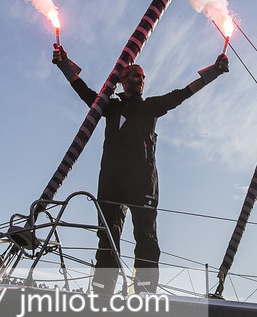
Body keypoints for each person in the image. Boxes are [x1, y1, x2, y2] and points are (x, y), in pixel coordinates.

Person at [53, 42, 228, 293]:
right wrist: (63, 65)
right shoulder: (110, 107)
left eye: (142, 77)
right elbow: (84, 91)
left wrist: (214, 71)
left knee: (146, 238)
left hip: (143, 184)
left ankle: (144, 292)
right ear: (122, 81)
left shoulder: (150, 108)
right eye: (134, 76)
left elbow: (182, 93)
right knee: (107, 237)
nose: (139, 81)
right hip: (111, 182)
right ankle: (103, 291)